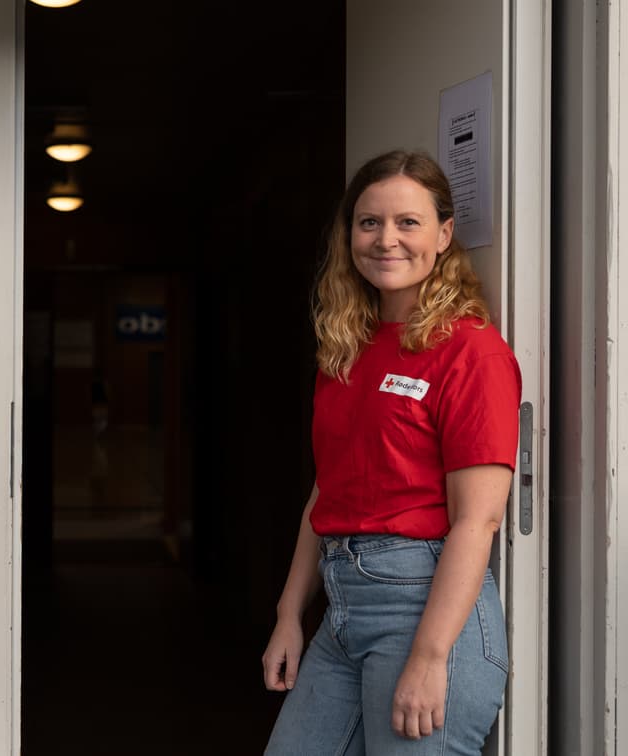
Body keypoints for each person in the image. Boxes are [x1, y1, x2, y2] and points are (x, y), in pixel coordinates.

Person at [261, 150, 520, 755]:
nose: (386, 240)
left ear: (444, 235)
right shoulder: (346, 348)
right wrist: (289, 613)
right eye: (369, 222)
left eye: (408, 222)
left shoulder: (470, 350)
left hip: (425, 608)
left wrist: (431, 657)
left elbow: (476, 519)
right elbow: (328, 490)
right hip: (342, 609)